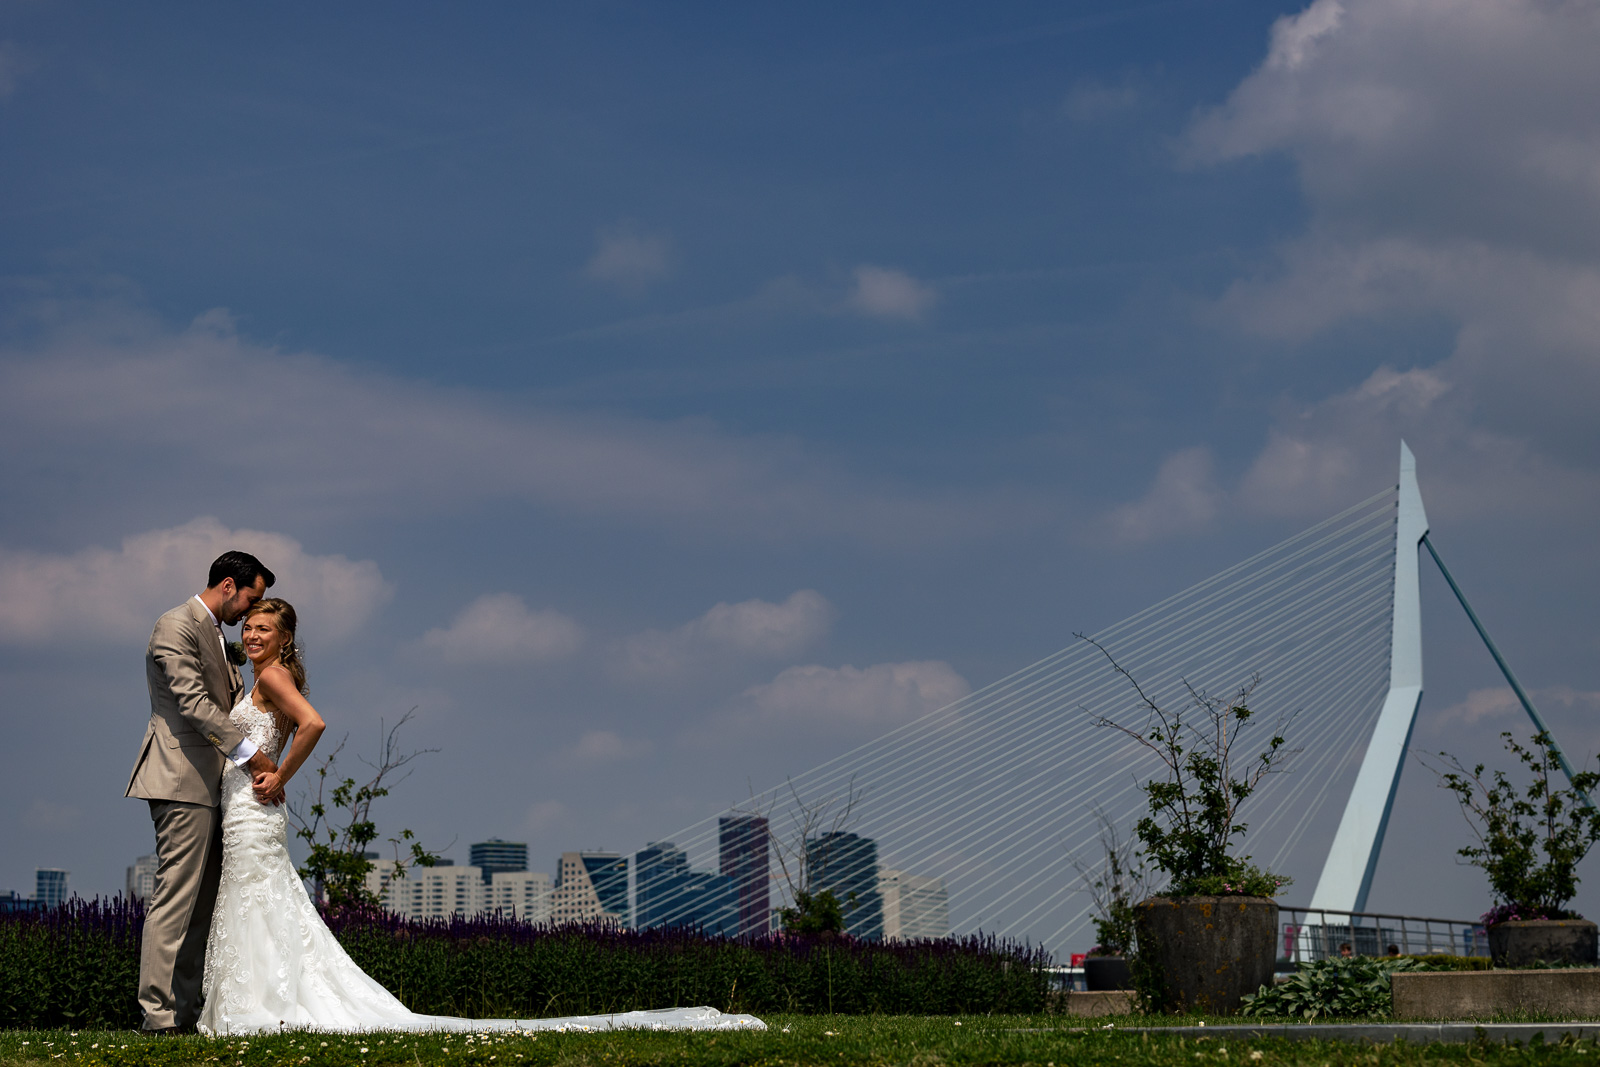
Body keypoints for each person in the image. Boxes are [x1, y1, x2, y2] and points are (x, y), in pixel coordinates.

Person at [197, 597, 763, 1036]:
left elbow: (315, 724)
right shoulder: (260, 676)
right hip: (247, 808)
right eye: (247, 628)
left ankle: (257, 1005)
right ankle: (264, 999)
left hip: (255, 806)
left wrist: (280, 776)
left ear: (285, 638)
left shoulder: (273, 678)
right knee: (262, 898)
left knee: (257, 896)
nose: (250, 635)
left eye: (262, 629)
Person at [127, 551, 280, 1034]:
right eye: (251, 599)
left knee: (205, 902)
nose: (249, 613)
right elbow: (191, 701)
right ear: (229, 586)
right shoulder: (175, 625)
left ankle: (186, 1010)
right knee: (177, 896)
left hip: (217, 787)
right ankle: (158, 1013)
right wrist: (253, 756)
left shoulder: (217, 634)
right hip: (180, 777)